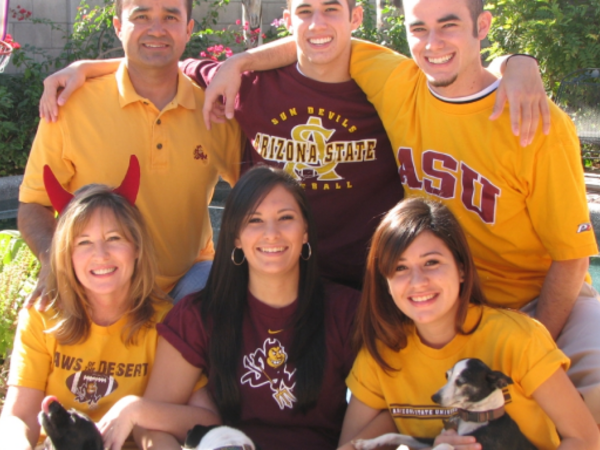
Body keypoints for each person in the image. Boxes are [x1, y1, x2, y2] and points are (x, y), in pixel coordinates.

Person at [38, 0, 547, 291]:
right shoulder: (248, 86)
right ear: (287, 18)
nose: (318, 23)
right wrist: (85, 69)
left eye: (332, 10)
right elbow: (161, 66)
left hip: (374, 284)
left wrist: (518, 63)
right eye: (305, 10)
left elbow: (453, 69)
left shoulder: (389, 80)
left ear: (355, 18)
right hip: (274, 279)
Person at [340, 0, 600, 428]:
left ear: (482, 25)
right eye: (418, 28)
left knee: (586, 413)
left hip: (539, 302)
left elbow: (571, 259)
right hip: (439, 300)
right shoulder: (399, 83)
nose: (432, 42)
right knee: (378, 403)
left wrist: (529, 350)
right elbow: (317, 41)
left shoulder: (537, 121)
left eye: (449, 24)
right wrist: (234, 65)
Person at [89, 166, 360, 450]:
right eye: (254, 220)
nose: (271, 233)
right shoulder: (197, 317)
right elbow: (150, 427)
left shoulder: (347, 311)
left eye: (286, 218)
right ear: (235, 237)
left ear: (305, 231)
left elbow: (381, 411)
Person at [18, 0, 242, 307]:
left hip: (188, 278)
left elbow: (254, 196)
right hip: (101, 282)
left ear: (188, 29)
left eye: (170, 17)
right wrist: (50, 261)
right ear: (118, 27)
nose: (157, 28)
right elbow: (34, 202)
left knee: (222, 310)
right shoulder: (71, 106)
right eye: (142, 16)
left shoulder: (214, 111)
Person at [338, 198, 600, 450]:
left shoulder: (518, 338)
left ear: (462, 268)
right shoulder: (382, 353)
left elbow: (586, 440)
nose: (417, 281)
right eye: (400, 268)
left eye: (431, 262)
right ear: (385, 280)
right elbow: (349, 446)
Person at [0, 159, 172, 449]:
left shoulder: (166, 322)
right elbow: (19, 417)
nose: (100, 254)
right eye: (83, 242)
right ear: (64, 254)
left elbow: (200, 415)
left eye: (114, 238)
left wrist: (136, 409)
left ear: (137, 247)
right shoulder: (42, 316)